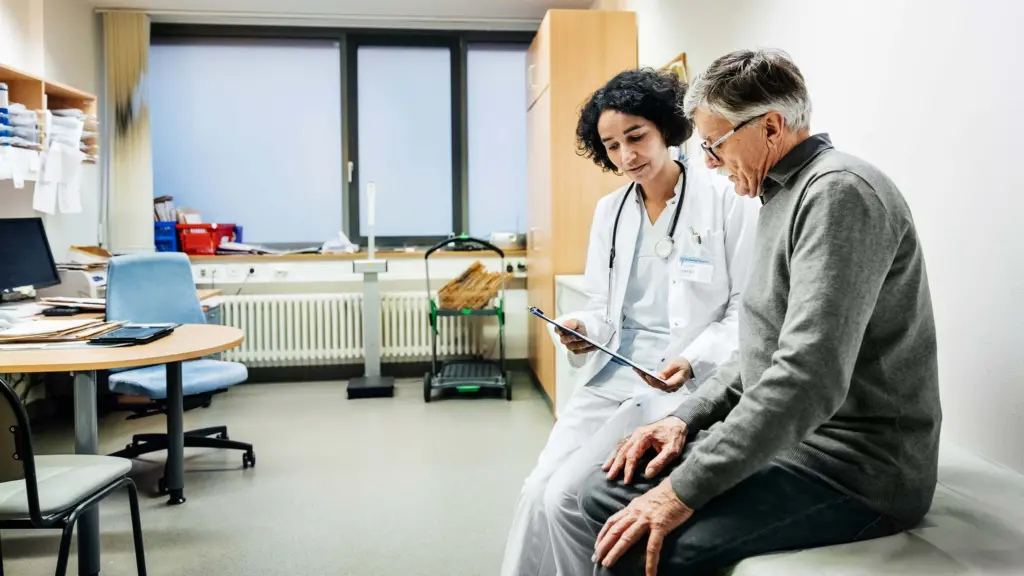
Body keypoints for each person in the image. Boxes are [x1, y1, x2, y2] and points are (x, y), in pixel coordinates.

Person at [571, 49, 942, 576]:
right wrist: (684, 418)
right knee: (603, 490)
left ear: (770, 127)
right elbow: (762, 350)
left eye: (715, 144)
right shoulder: (780, 197)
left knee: (632, 538)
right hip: (796, 444)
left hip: (854, 471)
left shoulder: (838, 195)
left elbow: (805, 378)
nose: (708, 162)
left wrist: (680, 492)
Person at [501, 68, 759, 576]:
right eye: (612, 146)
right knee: (537, 492)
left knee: (565, 498)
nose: (626, 156)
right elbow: (602, 305)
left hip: (679, 385)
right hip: (613, 373)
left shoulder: (725, 200)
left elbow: (744, 311)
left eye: (636, 137)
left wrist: (692, 358)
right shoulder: (610, 211)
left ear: (666, 128)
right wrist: (582, 329)